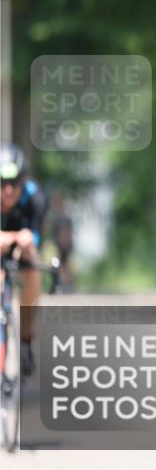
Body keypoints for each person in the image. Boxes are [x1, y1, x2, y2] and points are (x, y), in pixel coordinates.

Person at [0, 143, 47, 375]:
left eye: (14, 184)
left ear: (23, 182)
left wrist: (26, 239)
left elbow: (35, 234)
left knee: (32, 263)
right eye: (2, 184)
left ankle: (26, 336)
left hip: (22, 246)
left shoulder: (35, 196)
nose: (8, 190)